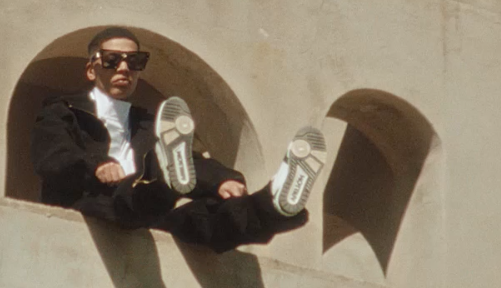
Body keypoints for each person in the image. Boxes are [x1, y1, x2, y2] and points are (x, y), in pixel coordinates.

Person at [30, 27, 327, 255]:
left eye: (135, 61)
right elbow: (53, 155)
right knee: (134, 193)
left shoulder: (148, 123)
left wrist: (222, 180)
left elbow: (190, 161)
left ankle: (273, 205)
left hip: (146, 213)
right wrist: (97, 165)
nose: (124, 68)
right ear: (91, 68)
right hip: (91, 204)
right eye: (112, 60)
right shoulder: (62, 110)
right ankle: (166, 186)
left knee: (205, 220)